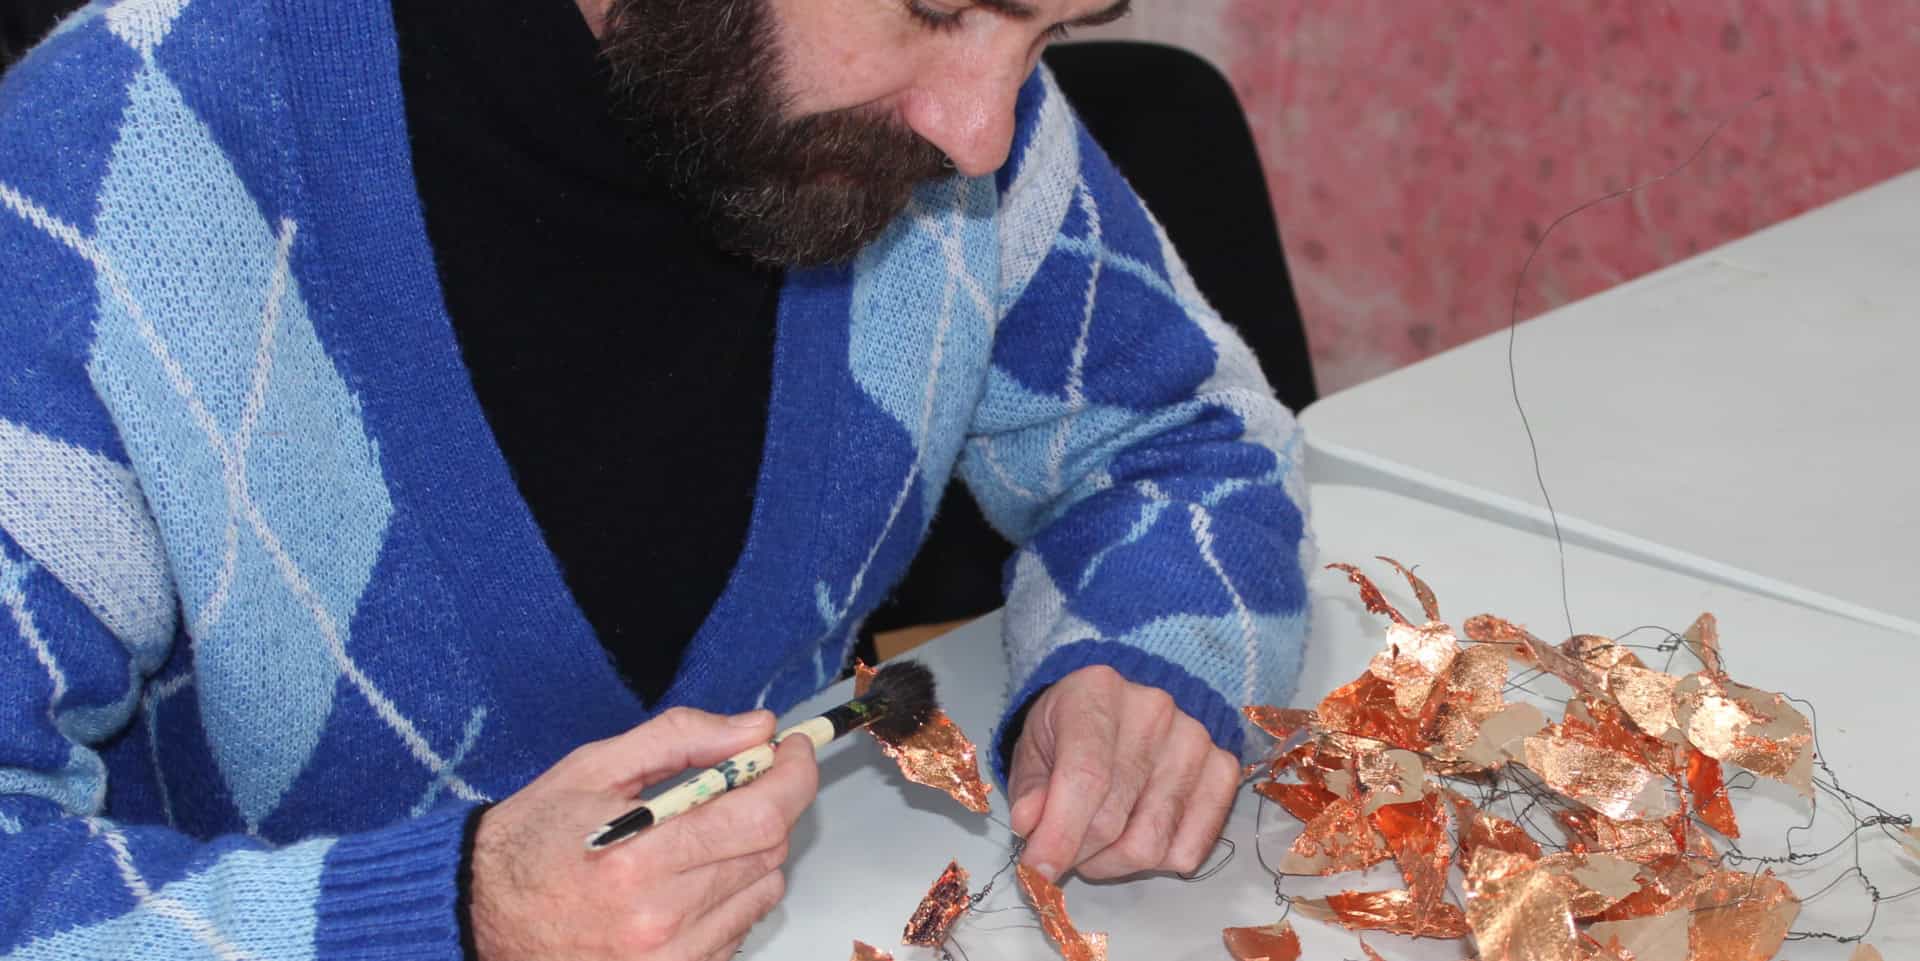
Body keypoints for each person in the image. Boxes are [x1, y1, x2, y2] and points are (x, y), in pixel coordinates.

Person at [0, 0, 1312, 957]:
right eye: (936, 10)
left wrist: (1149, 644)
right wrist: (447, 916)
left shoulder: (960, 124)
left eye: (1048, 33)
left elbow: (1180, 434)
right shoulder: (109, 162)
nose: (980, 134)